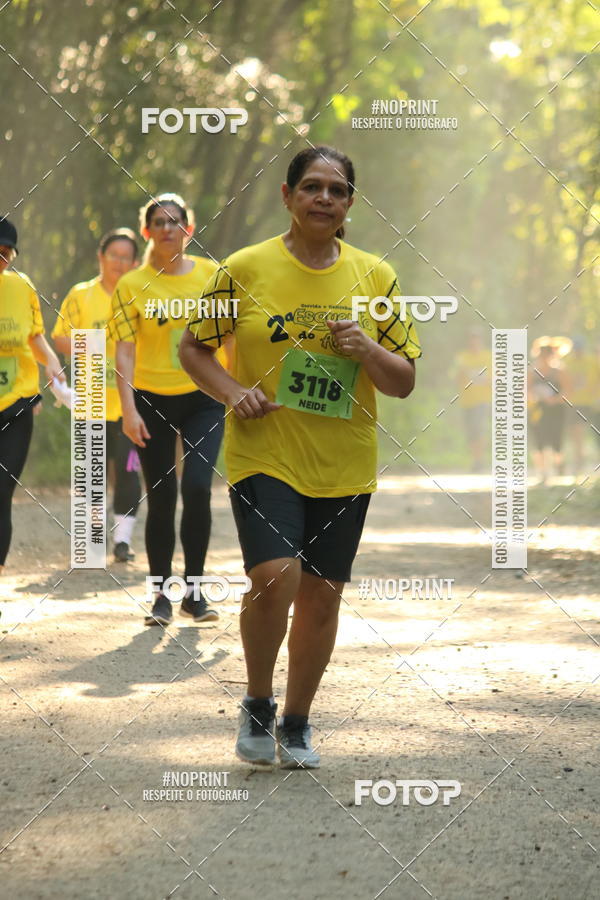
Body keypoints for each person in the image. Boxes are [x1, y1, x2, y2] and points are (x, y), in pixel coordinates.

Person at [180, 146, 421, 768]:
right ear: (287, 196)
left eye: (336, 190)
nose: (323, 198)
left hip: (344, 462)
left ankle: (297, 722)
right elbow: (195, 349)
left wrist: (367, 347)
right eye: (311, 187)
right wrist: (234, 392)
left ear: (349, 205)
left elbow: (403, 380)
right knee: (275, 576)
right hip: (265, 450)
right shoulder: (244, 268)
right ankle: (257, 703)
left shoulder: (376, 277)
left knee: (321, 595)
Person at [108, 193, 225, 626]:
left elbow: (231, 337)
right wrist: (128, 410)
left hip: (205, 398)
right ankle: (160, 595)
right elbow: (123, 354)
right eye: (159, 221)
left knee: (196, 487)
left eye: (176, 221)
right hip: (151, 400)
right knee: (161, 498)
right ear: (147, 232)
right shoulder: (131, 285)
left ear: (189, 230)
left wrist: (238, 389)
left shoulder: (213, 276)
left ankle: (194, 593)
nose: (168, 228)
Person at [52, 229, 142, 562]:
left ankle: (122, 541)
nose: (119, 263)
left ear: (135, 263)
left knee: (129, 470)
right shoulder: (81, 294)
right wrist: (89, 345)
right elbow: (59, 337)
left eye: (126, 257)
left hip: (130, 402)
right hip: (91, 399)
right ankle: (91, 539)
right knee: (93, 472)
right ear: (100, 257)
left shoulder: (139, 294)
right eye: (113, 255)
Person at [0, 216, 65, 574]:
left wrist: (52, 364)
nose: (2, 259)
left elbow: (35, 336)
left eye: (7, 253)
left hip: (16, 402)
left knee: (1, 495)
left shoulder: (21, 285)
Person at [528, 337, 569, 482]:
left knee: (556, 438)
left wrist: (555, 399)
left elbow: (566, 391)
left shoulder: (559, 371)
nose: (544, 357)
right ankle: (542, 471)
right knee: (539, 438)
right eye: (542, 354)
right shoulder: (532, 372)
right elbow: (526, 390)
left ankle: (559, 464)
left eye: (547, 354)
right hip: (538, 410)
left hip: (556, 409)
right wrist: (534, 397)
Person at [455, 328, 491, 472]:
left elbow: (493, 378)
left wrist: (477, 377)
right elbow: (456, 377)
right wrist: (462, 372)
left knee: (479, 429)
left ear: (481, 342)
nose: (474, 344)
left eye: (477, 341)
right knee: (470, 431)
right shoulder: (462, 357)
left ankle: (479, 460)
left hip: (483, 400)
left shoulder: (488, 357)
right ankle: (475, 459)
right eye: (471, 341)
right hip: (466, 400)